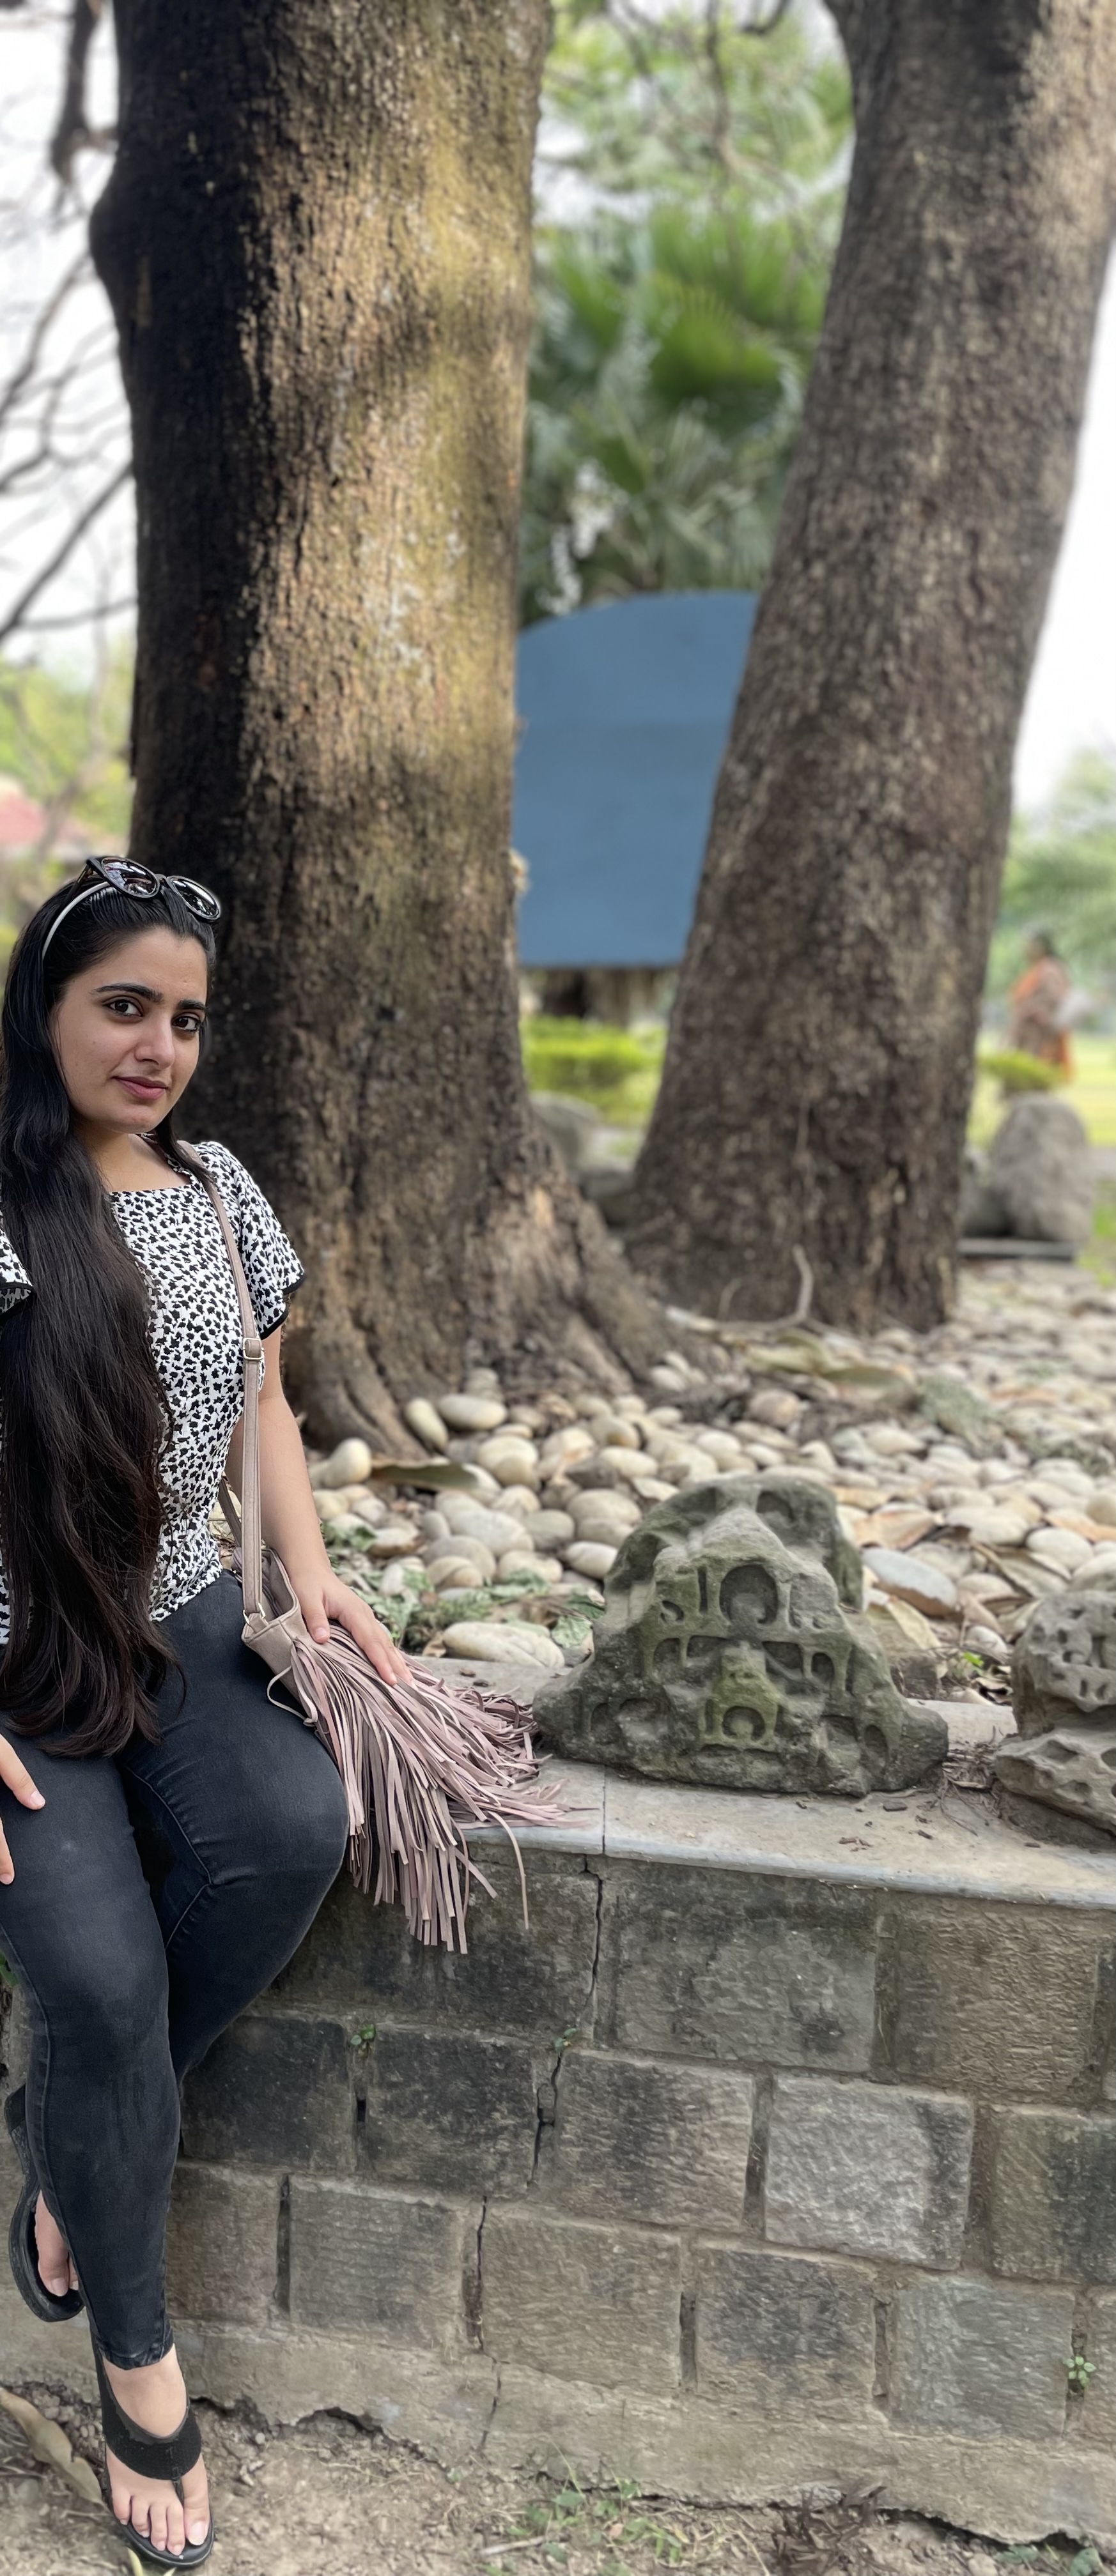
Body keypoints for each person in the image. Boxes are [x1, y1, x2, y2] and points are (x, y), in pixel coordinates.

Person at [0, 857, 408, 2568]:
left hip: (180, 1613)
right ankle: (137, 2360)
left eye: (184, 1018)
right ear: (43, 1009)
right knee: (94, 1980)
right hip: (18, 1651)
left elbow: (263, 1401)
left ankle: (73, 2148)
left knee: (296, 1827)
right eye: (123, 1007)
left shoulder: (221, 1187)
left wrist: (308, 1575)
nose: (158, 1046)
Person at [1007, 930, 1073, 1073]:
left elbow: (1054, 998)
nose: (1025, 948)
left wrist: (1031, 1010)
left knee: (1032, 1072)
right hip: (1026, 1034)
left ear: (1041, 947)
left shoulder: (1049, 969)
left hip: (1039, 1034)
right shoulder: (1037, 969)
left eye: (1029, 944)